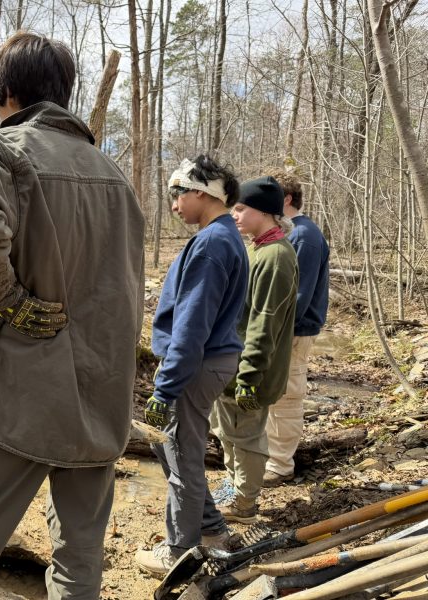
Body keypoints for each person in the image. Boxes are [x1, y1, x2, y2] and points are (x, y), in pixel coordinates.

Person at [0, 31, 145, 600]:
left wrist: (10, 300)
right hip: (101, 398)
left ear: (4, 90)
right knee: (79, 560)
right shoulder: (113, 174)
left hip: (21, 392)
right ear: (63, 93)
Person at [135, 155, 249, 577]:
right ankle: (212, 530)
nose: (174, 203)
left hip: (198, 363)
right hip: (210, 361)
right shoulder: (220, 236)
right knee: (176, 453)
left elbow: (192, 323)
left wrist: (165, 389)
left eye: (179, 193)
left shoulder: (213, 243)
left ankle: (180, 551)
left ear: (203, 192)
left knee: (180, 457)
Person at [212, 176, 298, 523]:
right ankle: (234, 486)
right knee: (227, 432)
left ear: (264, 211)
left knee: (246, 436)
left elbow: (265, 324)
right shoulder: (256, 248)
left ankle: (245, 504)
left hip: (249, 371)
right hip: (232, 365)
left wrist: (248, 376)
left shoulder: (276, 255)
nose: (234, 214)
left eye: (241, 208)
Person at [263, 170, 329, 487]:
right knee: (272, 394)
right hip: (284, 329)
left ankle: (279, 466)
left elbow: (297, 296)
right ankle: (268, 456)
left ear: (286, 199)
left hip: (294, 330)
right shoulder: (292, 232)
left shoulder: (304, 236)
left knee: (286, 396)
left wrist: (273, 331)